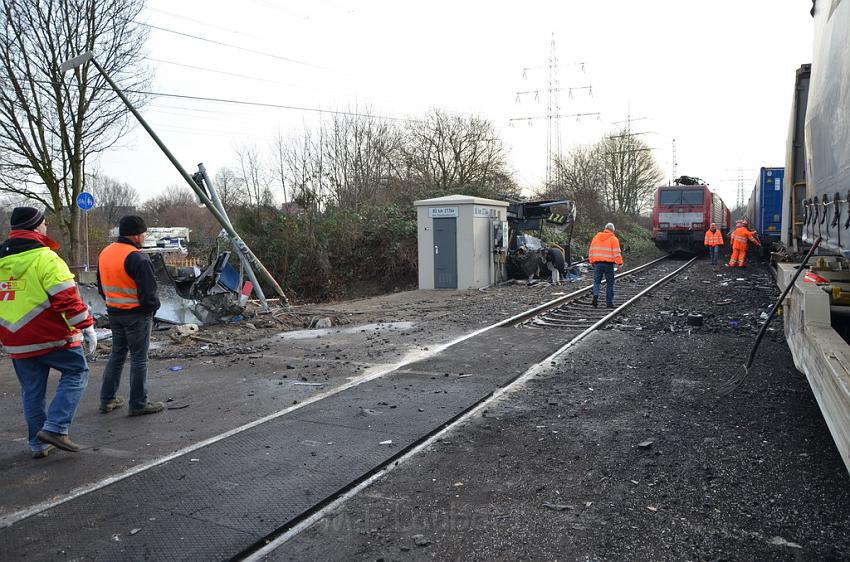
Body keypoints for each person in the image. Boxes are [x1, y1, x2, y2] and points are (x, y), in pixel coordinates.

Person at [0, 207, 97, 457]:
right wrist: (87, 326)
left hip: (15, 339)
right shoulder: (46, 259)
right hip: (52, 335)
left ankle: (38, 444)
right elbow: (66, 299)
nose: (46, 228)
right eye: (44, 224)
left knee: (32, 391)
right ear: (36, 227)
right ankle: (55, 428)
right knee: (77, 372)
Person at [97, 215, 164, 416]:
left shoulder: (105, 253)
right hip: (136, 315)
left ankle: (107, 399)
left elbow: (101, 287)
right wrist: (152, 309)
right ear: (136, 236)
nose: (144, 237)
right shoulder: (137, 257)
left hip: (114, 312)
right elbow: (149, 292)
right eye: (143, 234)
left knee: (117, 355)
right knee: (139, 359)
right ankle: (138, 403)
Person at [588, 222, 623, 308]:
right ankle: (609, 303)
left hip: (597, 264)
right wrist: (620, 263)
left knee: (596, 282)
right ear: (612, 230)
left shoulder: (596, 237)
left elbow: (591, 251)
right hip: (608, 265)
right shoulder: (613, 239)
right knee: (610, 283)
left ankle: (595, 297)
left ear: (605, 228)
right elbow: (616, 253)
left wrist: (592, 261)